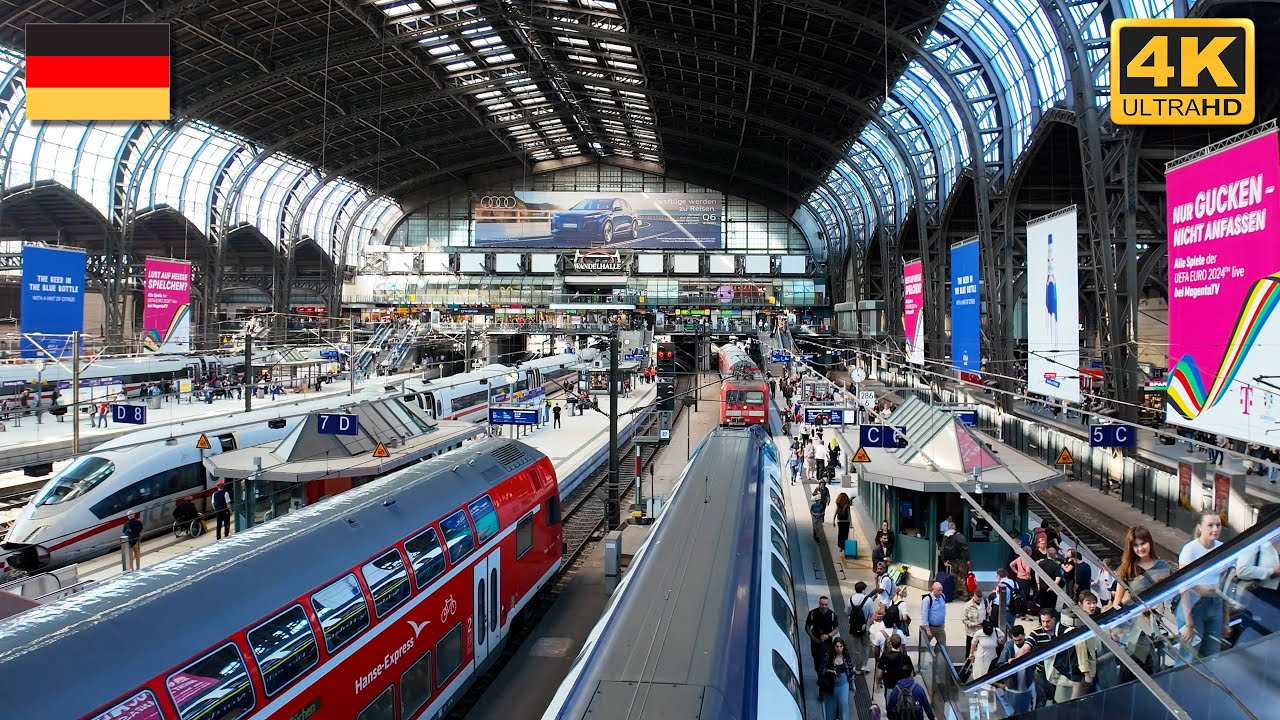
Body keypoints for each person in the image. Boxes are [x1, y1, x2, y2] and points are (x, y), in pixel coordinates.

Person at [1108, 525, 1175, 678]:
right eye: (1136, 545)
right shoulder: (1127, 569)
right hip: (1135, 626)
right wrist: (1115, 627)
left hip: (1158, 623)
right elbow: (1117, 603)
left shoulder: (1163, 566)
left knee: (1147, 663)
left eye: (1143, 543)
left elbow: (1170, 594)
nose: (1140, 548)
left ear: (1150, 543)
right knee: (1138, 663)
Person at [1178, 510, 1224, 657]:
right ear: (1200, 527)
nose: (1215, 529)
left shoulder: (1221, 547)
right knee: (1189, 655)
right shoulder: (1190, 550)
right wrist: (1188, 622)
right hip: (1194, 605)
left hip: (1215, 604)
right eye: (1210, 525)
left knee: (1212, 654)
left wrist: (1227, 617)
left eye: (1218, 525)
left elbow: (1224, 578)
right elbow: (1182, 585)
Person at [995, 626, 1035, 714]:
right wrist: (1007, 665)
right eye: (1015, 640)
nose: (1017, 642)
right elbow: (1000, 666)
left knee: (1025, 712)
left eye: (1020, 640)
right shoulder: (1008, 649)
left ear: (1024, 635)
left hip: (1027, 686)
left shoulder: (1030, 647)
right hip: (1012, 688)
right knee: (1012, 713)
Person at [819, 637, 854, 720]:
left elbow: (850, 669)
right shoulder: (828, 656)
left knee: (844, 703)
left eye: (841, 646)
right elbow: (821, 669)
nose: (839, 649)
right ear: (833, 647)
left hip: (844, 684)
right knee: (831, 708)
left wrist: (852, 683)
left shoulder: (846, 656)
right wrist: (829, 671)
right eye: (837, 646)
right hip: (832, 686)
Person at [805, 595, 839, 678]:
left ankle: (825, 676)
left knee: (826, 659)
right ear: (819, 604)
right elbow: (807, 627)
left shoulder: (832, 615)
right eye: (822, 604)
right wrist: (813, 637)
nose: (824, 606)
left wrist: (828, 636)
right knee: (816, 659)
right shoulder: (813, 613)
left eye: (826, 604)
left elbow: (836, 629)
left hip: (827, 642)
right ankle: (819, 675)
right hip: (815, 642)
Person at [847, 581, 873, 673]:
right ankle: (864, 665)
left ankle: (857, 667)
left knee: (856, 648)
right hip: (865, 628)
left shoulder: (850, 599)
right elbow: (871, 614)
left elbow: (846, 612)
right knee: (865, 646)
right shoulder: (868, 600)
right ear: (863, 590)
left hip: (854, 628)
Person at [922, 582, 948, 651]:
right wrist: (927, 629)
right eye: (938, 590)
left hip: (940, 627)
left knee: (942, 645)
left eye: (941, 590)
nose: (940, 592)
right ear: (933, 590)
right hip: (930, 627)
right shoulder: (927, 599)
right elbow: (924, 614)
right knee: (925, 645)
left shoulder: (943, 596)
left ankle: (938, 660)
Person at [962, 591, 987, 657]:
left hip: (982, 632)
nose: (979, 601)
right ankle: (968, 665)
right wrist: (973, 624)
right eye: (977, 600)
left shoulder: (985, 603)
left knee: (981, 650)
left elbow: (988, 614)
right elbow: (964, 619)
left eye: (980, 600)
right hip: (972, 633)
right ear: (974, 596)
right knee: (970, 651)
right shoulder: (968, 606)